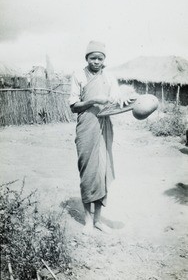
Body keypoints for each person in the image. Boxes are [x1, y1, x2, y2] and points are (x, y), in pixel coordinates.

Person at [69, 41, 133, 234]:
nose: (96, 61)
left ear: (104, 59)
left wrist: (122, 99)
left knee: (102, 172)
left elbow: (116, 99)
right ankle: (88, 221)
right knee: (88, 172)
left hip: (105, 126)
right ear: (86, 58)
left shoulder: (109, 77)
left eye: (100, 58)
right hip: (86, 126)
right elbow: (73, 106)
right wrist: (93, 100)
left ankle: (98, 220)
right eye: (92, 58)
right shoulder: (79, 75)